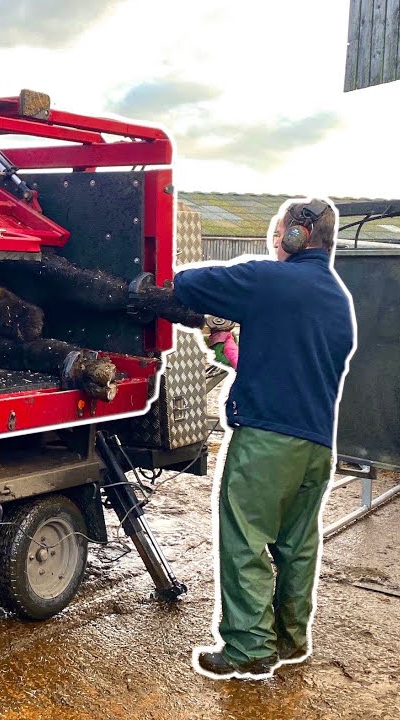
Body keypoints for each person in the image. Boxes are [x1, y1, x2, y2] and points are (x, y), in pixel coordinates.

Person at [133, 197, 355, 678]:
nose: (276, 244)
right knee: (296, 545)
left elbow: (192, 284)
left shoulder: (275, 281)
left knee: (245, 542)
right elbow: (288, 362)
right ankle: (291, 639)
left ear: (299, 236)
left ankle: (249, 648)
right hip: (316, 447)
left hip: (267, 441)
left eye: (279, 235)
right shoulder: (337, 299)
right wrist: (232, 346)